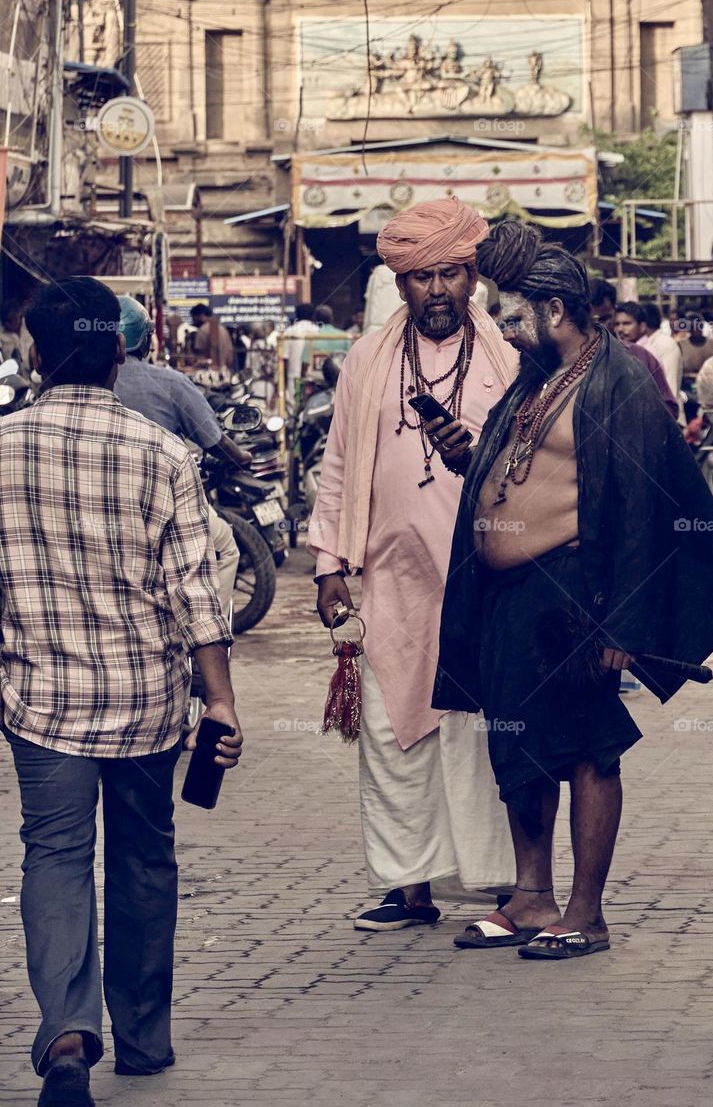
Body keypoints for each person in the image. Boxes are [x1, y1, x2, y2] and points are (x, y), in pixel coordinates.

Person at [429, 220, 713, 959]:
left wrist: (621, 630)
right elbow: (524, 474)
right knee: (519, 747)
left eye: (513, 316)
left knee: (586, 752)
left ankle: (585, 913)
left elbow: (638, 514)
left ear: (555, 311)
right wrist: (465, 458)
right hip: (512, 599)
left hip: (577, 598)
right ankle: (530, 897)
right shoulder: (537, 377)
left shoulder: (620, 381)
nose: (505, 331)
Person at [0, 277, 243, 1107]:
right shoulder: (163, 453)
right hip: (147, 701)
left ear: (34, 354)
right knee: (143, 860)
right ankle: (142, 1042)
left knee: (56, 855)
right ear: (117, 354)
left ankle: (68, 1032)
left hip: (39, 703)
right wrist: (222, 702)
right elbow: (199, 594)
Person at [308, 197, 518, 931]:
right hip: (388, 579)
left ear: (472, 280)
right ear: (400, 284)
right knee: (393, 732)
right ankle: (409, 889)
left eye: (451, 275)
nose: (437, 290)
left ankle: (504, 885)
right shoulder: (366, 359)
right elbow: (337, 467)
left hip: (484, 579)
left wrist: (477, 455)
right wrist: (328, 561)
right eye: (422, 277)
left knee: (480, 734)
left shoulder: (509, 359)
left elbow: (539, 467)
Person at [113, 296, 246, 618]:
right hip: (160, 507)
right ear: (146, 340)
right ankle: (208, 631)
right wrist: (242, 457)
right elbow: (215, 440)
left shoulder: (70, 382)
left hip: (92, 506)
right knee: (225, 546)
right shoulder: (168, 382)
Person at [590, 280, 679, 420]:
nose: (598, 327)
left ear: (614, 312)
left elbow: (668, 408)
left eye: (605, 319)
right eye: (591, 321)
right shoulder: (565, 359)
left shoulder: (640, 356)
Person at [281, 302, 318, 391]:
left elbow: (284, 358)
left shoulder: (289, 331)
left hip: (293, 379)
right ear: (313, 315)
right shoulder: (318, 331)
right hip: (314, 380)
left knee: (294, 404)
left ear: (297, 315)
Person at [190, 303, 235, 375]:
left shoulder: (203, 329)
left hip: (210, 373)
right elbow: (230, 353)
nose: (193, 321)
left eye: (193, 318)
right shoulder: (222, 328)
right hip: (225, 371)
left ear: (201, 315)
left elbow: (201, 354)